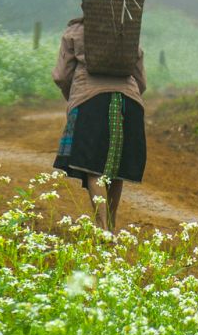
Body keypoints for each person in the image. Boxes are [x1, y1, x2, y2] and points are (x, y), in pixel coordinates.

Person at [51, 17, 147, 232]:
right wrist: (128, 93)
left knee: (94, 166)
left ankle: (101, 227)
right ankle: (111, 227)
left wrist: (74, 95)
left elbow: (61, 75)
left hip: (90, 101)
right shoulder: (127, 30)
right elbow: (141, 80)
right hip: (129, 103)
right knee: (117, 167)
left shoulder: (74, 32)